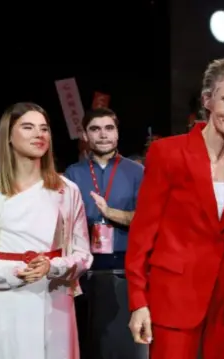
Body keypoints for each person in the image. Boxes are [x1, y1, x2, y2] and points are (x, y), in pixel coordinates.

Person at [126, 58, 224, 359]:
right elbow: (143, 233)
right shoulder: (167, 153)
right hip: (174, 297)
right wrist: (138, 301)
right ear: (207, 100)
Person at [0, 102, 92, 359]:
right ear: (7, 137)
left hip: (56, 297)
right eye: (28, 127)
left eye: (44, 129)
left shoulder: (67, 190)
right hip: (7, 302)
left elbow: (83, 255)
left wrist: (52, 267)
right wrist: (16, 272)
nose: (39, 134)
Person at [64, 108, 145, 359]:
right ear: (85, 134)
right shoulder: (73, 174)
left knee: (125, 345)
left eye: (109, 128)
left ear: (118, 133)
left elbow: (146, 220)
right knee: (90, 344)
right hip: (84, 271)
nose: (103, 135)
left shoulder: (136, 171)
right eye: (95, 129)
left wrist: (109, 213)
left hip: (125, 268)